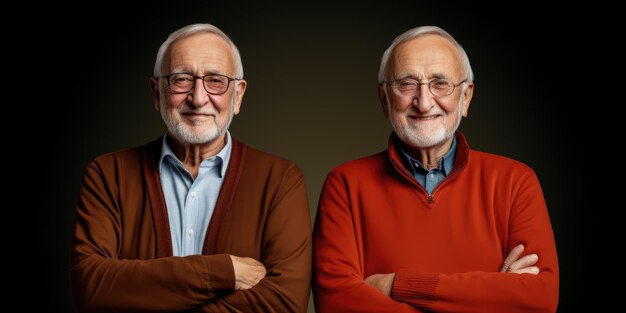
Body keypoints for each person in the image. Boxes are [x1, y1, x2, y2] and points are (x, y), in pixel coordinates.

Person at [312, 26, 559, 312]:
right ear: (384, 100)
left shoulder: (515, 181)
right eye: (406, 83)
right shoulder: (345, 184)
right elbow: (336, 303)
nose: (424, 101)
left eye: (440, 83)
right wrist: (493, 294)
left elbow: (540, 298)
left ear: (465, 98)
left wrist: (398, 285)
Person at [70, 23, 312, 312]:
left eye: (216, 81)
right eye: (181, 79)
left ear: (238, 96)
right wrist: (221, 272)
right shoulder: (108, 175)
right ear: (156, 92)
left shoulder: (280, 180)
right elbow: (90, 288)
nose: (198, 98)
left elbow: (285, 303)